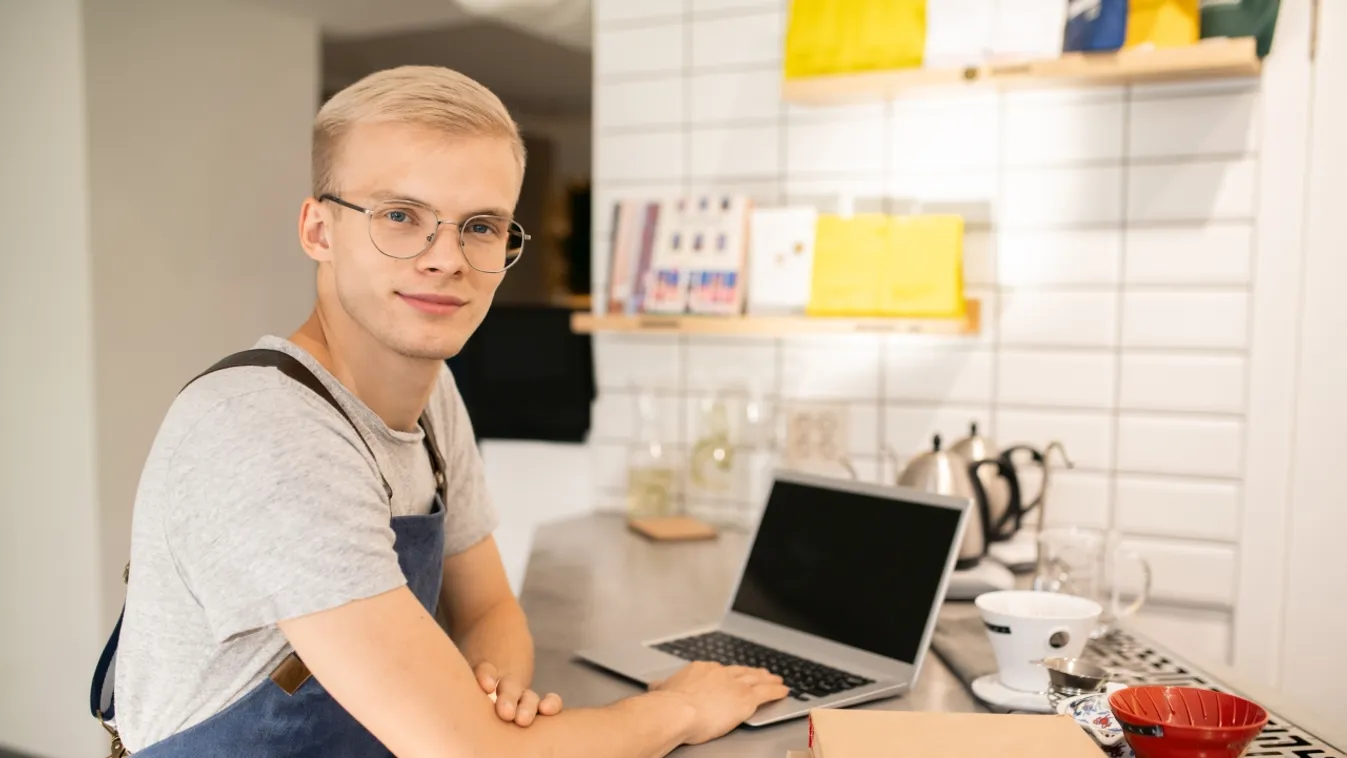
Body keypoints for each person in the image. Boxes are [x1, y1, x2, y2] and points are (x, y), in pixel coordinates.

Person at [92, 65, 788, 757]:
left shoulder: (432, 397)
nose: (446, 258)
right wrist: (681, 709)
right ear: (318, 231)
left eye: (481, 226)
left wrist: (491, 694)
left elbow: (487, 609)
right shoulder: (266, 431)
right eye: (400, 216)